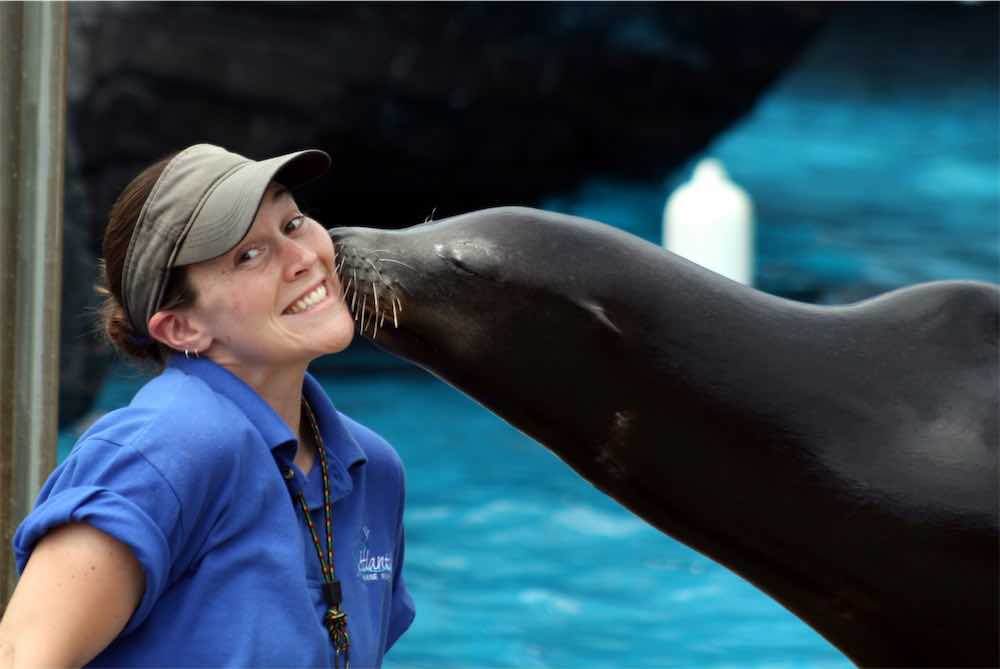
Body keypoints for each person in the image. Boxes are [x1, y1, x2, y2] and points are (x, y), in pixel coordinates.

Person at [0, 144, 414, 668]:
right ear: (181, 327)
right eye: (248, 255)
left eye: (291, 224)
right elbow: (21, 656)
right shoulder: (166, 448)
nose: (304, 258)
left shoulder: (372, 468)